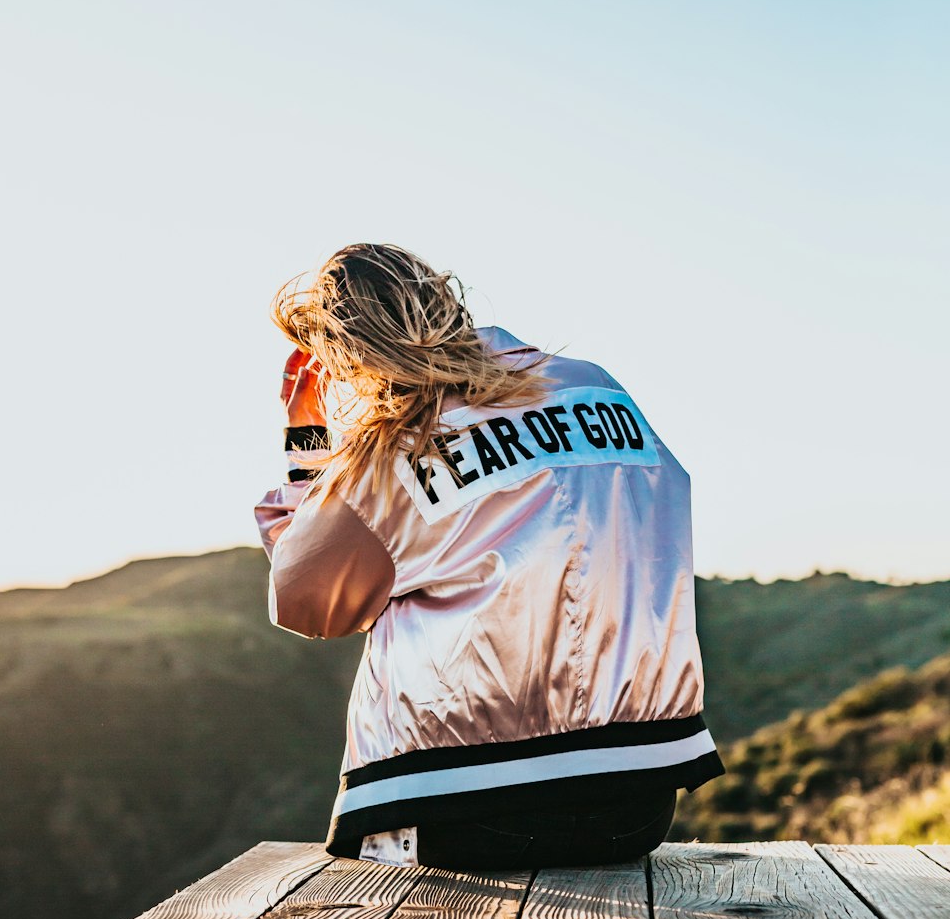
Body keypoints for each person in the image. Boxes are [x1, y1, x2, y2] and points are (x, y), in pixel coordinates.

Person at [255, 243, 724, 871]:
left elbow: (307, 602)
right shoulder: (599, 389)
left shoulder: (394, 446)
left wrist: (307, 446)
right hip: (638, 802)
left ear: (346, 356)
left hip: (460, 806)